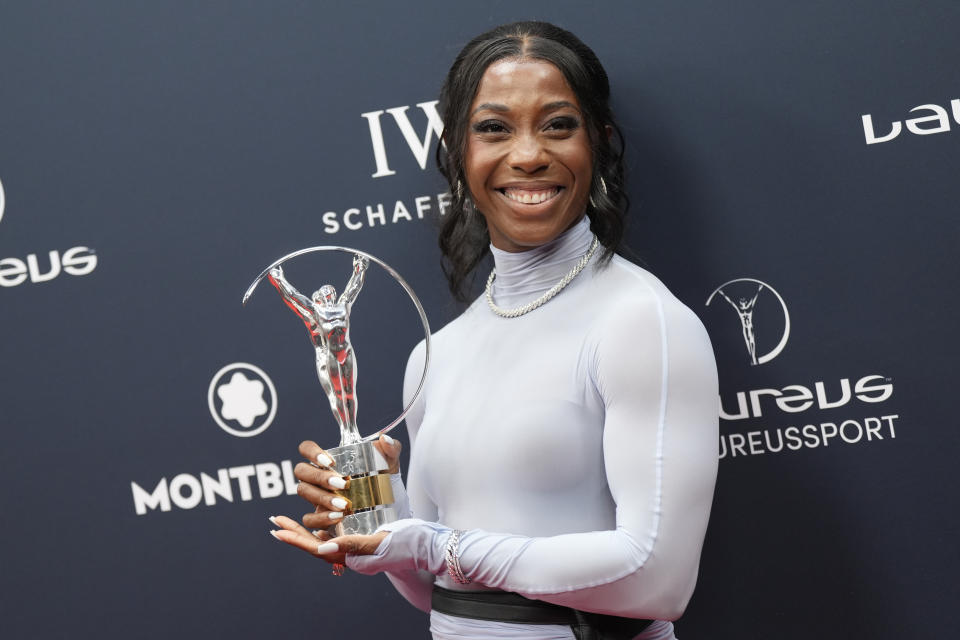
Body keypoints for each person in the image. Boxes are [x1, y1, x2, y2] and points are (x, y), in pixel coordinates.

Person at [269, 21, 719, 640]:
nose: (529, 153)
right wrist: (384, 522)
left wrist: (437, 544)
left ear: (600, 144)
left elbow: (657, 579)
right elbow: (443, 598)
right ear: (456, 153)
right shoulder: (437, 354)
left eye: (558, 124)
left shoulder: (643, 322)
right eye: (494, 128)